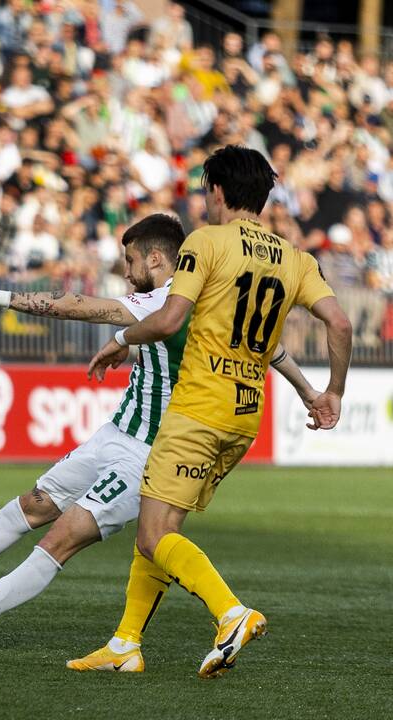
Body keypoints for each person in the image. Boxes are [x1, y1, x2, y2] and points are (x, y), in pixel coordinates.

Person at [0, 214, 318, 651]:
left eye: (131, 262)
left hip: (152, 454)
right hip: (116, 434)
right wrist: (309, 391)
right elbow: (271, 349)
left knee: (59, 540)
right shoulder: (216, 300)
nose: (126, 273)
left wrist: (0, 297)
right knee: (33, 505)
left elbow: (75, 306)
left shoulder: (164, 300)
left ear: (157, 260)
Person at [78, 146, 351, 677]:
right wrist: (328, 390)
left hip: (197, 408)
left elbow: (166, 320)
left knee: (154, 536)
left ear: (219, 192)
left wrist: (120, 339)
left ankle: (231, 613)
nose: (205, 200)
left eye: (206, 190)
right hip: (245, 416)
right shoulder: (295, 259)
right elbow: (339, 324)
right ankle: (124, 645)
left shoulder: (206, 243)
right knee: (161, 528)